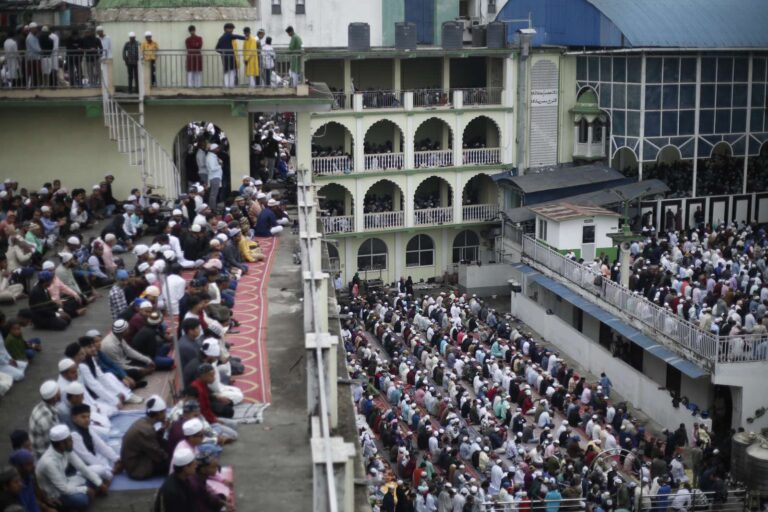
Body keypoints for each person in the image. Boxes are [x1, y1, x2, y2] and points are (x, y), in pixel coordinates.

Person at [36, 424, 107, 510]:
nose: (72, 442)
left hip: (66, 482)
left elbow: (82, 467)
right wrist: (85, 489)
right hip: (55, 493)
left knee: (97, 478)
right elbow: (63, 490)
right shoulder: (49, 463)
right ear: (61, 444)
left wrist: (99, 483)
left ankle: (86, 496)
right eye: (70, 440)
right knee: (82, 500)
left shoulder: (65, 449)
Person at [121, 395, 170, 479]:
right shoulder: (146, 430)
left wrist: (163, 429)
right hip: (136, 469)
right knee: (173, 463)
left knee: (166, 445)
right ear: (159, 413)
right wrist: (172, 459)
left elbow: (153, 438)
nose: (166, 414)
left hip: (134, 459)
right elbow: (158, 455)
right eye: (164, 412)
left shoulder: (143, 422)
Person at [70, 404, 121, 482]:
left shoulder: (86, 427)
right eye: (83, 417)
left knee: (109, 454)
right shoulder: (74, 434)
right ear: (74, 418)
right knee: (101, 470)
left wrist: (117, 459)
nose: (87, 419)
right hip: (82, 467)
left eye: (88, 416)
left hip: (93, 458)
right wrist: (110, 470)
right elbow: (86, 457)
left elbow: (100, 445)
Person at [154, 447, 197, 512]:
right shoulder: (172, 491)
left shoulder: (183, 479)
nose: (196, 466)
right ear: (186, 468)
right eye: (193, 464)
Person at [29, 381, 60, 458]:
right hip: (44, 455)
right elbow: (53, 442)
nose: (60, 392)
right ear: (55, 397)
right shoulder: (46, 418)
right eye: (58, 391)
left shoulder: (42, 406)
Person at [215, 22, 245, 88]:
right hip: (231, 57)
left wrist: (223, 52)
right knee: (232, 72)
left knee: (226, 72)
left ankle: (227, 86)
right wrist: (245, 38)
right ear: (226, 29)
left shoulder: (221, 38)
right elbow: (236, 36)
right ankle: (231, 87)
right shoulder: (229, 35)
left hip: (224, 57)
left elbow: (216, 49)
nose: (232, 30)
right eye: (231, 29)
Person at [206, 143, 224, 208]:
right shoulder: (211, 157)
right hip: (214, 177)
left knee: (214, 194)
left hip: (216, 177)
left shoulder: (213, 156)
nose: (218, 149)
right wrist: (220, 165)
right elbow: (212, 168)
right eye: (217, 148)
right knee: (213, 194)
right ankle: (212, 208)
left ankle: (213, 207)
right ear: (214, 149)